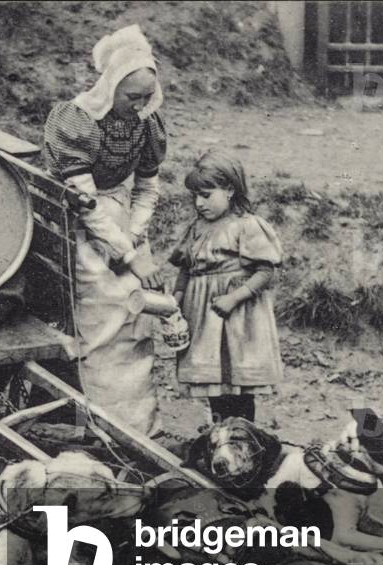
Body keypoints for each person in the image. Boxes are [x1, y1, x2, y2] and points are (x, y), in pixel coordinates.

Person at [42, 24, 166, 436]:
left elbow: (148, 185)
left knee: (138, 318)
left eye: (148, 97)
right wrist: (125, 253)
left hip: (123, 220)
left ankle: (138, 424)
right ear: (111, 86)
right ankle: (102, 425)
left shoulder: (147, 123)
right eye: (133, 97)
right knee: (105, 317)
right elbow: (87, 205)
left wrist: (136, 234)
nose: (141, 106)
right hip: (77, 224)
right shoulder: (76, 122)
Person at [169, 152, 283, 423]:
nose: (199, 203)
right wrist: (176, 301)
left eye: (206, 195)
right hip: (203, 321)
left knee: (238, 388)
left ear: (230, 189)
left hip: (236, 320)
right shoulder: (198, 227)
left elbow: (265, 271)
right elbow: (186, 268)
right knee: (214, 387)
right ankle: (219, 437)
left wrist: (234, 297)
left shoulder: (247, 225)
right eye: (195, 196)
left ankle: (243, 436)